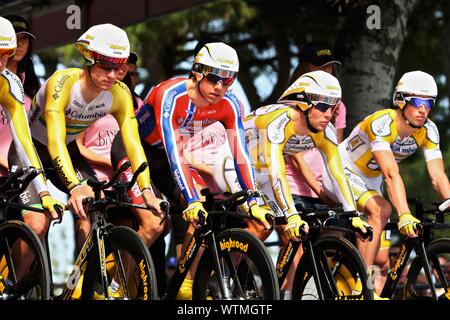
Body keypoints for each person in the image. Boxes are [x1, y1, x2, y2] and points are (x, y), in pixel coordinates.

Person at [111, 40, 273, 299]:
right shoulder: (171, 94)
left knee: (202, 207)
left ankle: (184, 285)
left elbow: (240, 153)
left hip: (168, 156)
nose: (220, 87)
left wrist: (252, 199)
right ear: (197, 72)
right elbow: (174, 152)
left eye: (228, 80)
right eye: (213, 79)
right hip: (137, 150)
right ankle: (115, 287)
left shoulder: (229, 102)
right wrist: (191, 199)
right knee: (154, 225)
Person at [8, 23, 165, 256]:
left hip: (67, 150)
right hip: (32, 150)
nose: (112, 75)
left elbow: (133, 145)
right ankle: (8, 289)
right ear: (90, 59)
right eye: (105, 67)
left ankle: (80, 282)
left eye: (119, 67)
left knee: (92, 203)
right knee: (38, 224)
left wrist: (146, 190)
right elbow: (55, 141)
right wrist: (73, 186)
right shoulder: (62, 83)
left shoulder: (119, 93)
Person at [331, 70, 450, 297]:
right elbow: (391, 173)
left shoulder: (429, 129)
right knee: (381, 209)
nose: (424, 109)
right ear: (401, 101)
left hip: (371, 180)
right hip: (344, 170)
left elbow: (438, 177)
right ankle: (361, 289)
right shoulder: (383, 123)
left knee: (381, 257)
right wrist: (404, 214)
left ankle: (345, 278)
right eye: (417, 102)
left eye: (429, 103)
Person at [0, 16, 62, 281]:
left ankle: (7, 284)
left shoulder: (11, 81)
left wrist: (44, 191)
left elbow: (24, 142)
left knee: (38, 219)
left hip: (10, 165)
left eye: (7, 54)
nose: (2, 62)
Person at [0, 15, 40, 177]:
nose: (19, 44)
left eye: (24, 38)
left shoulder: (31, 83)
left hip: (23, 169)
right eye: (14, 38)